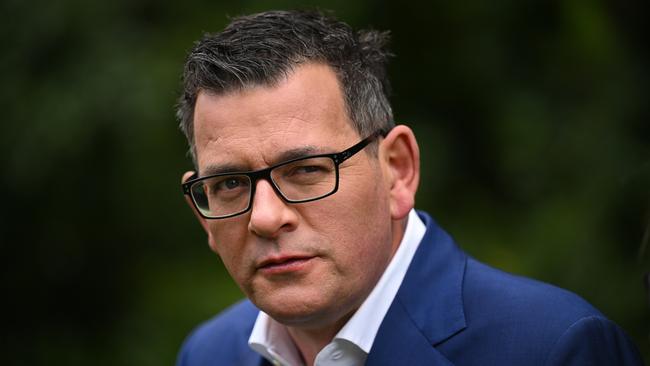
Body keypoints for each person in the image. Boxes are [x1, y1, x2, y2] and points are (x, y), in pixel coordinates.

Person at [175, 10, 642, 366]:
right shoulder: (209, 354)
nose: (265, 217)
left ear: (397, 170)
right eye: (231, 183)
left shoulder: (553, 347)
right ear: (204, 215)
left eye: (306, 170)